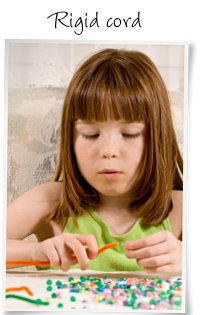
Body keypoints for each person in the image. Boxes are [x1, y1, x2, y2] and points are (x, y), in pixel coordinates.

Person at [7, 48, 183, 275]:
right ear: (70, 140)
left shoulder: (181, 207)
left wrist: (189, 258)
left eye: (129, 133)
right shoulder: (53, 202)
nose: (109, 151)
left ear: (158, 138)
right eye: (91, 134)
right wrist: (34, 252)